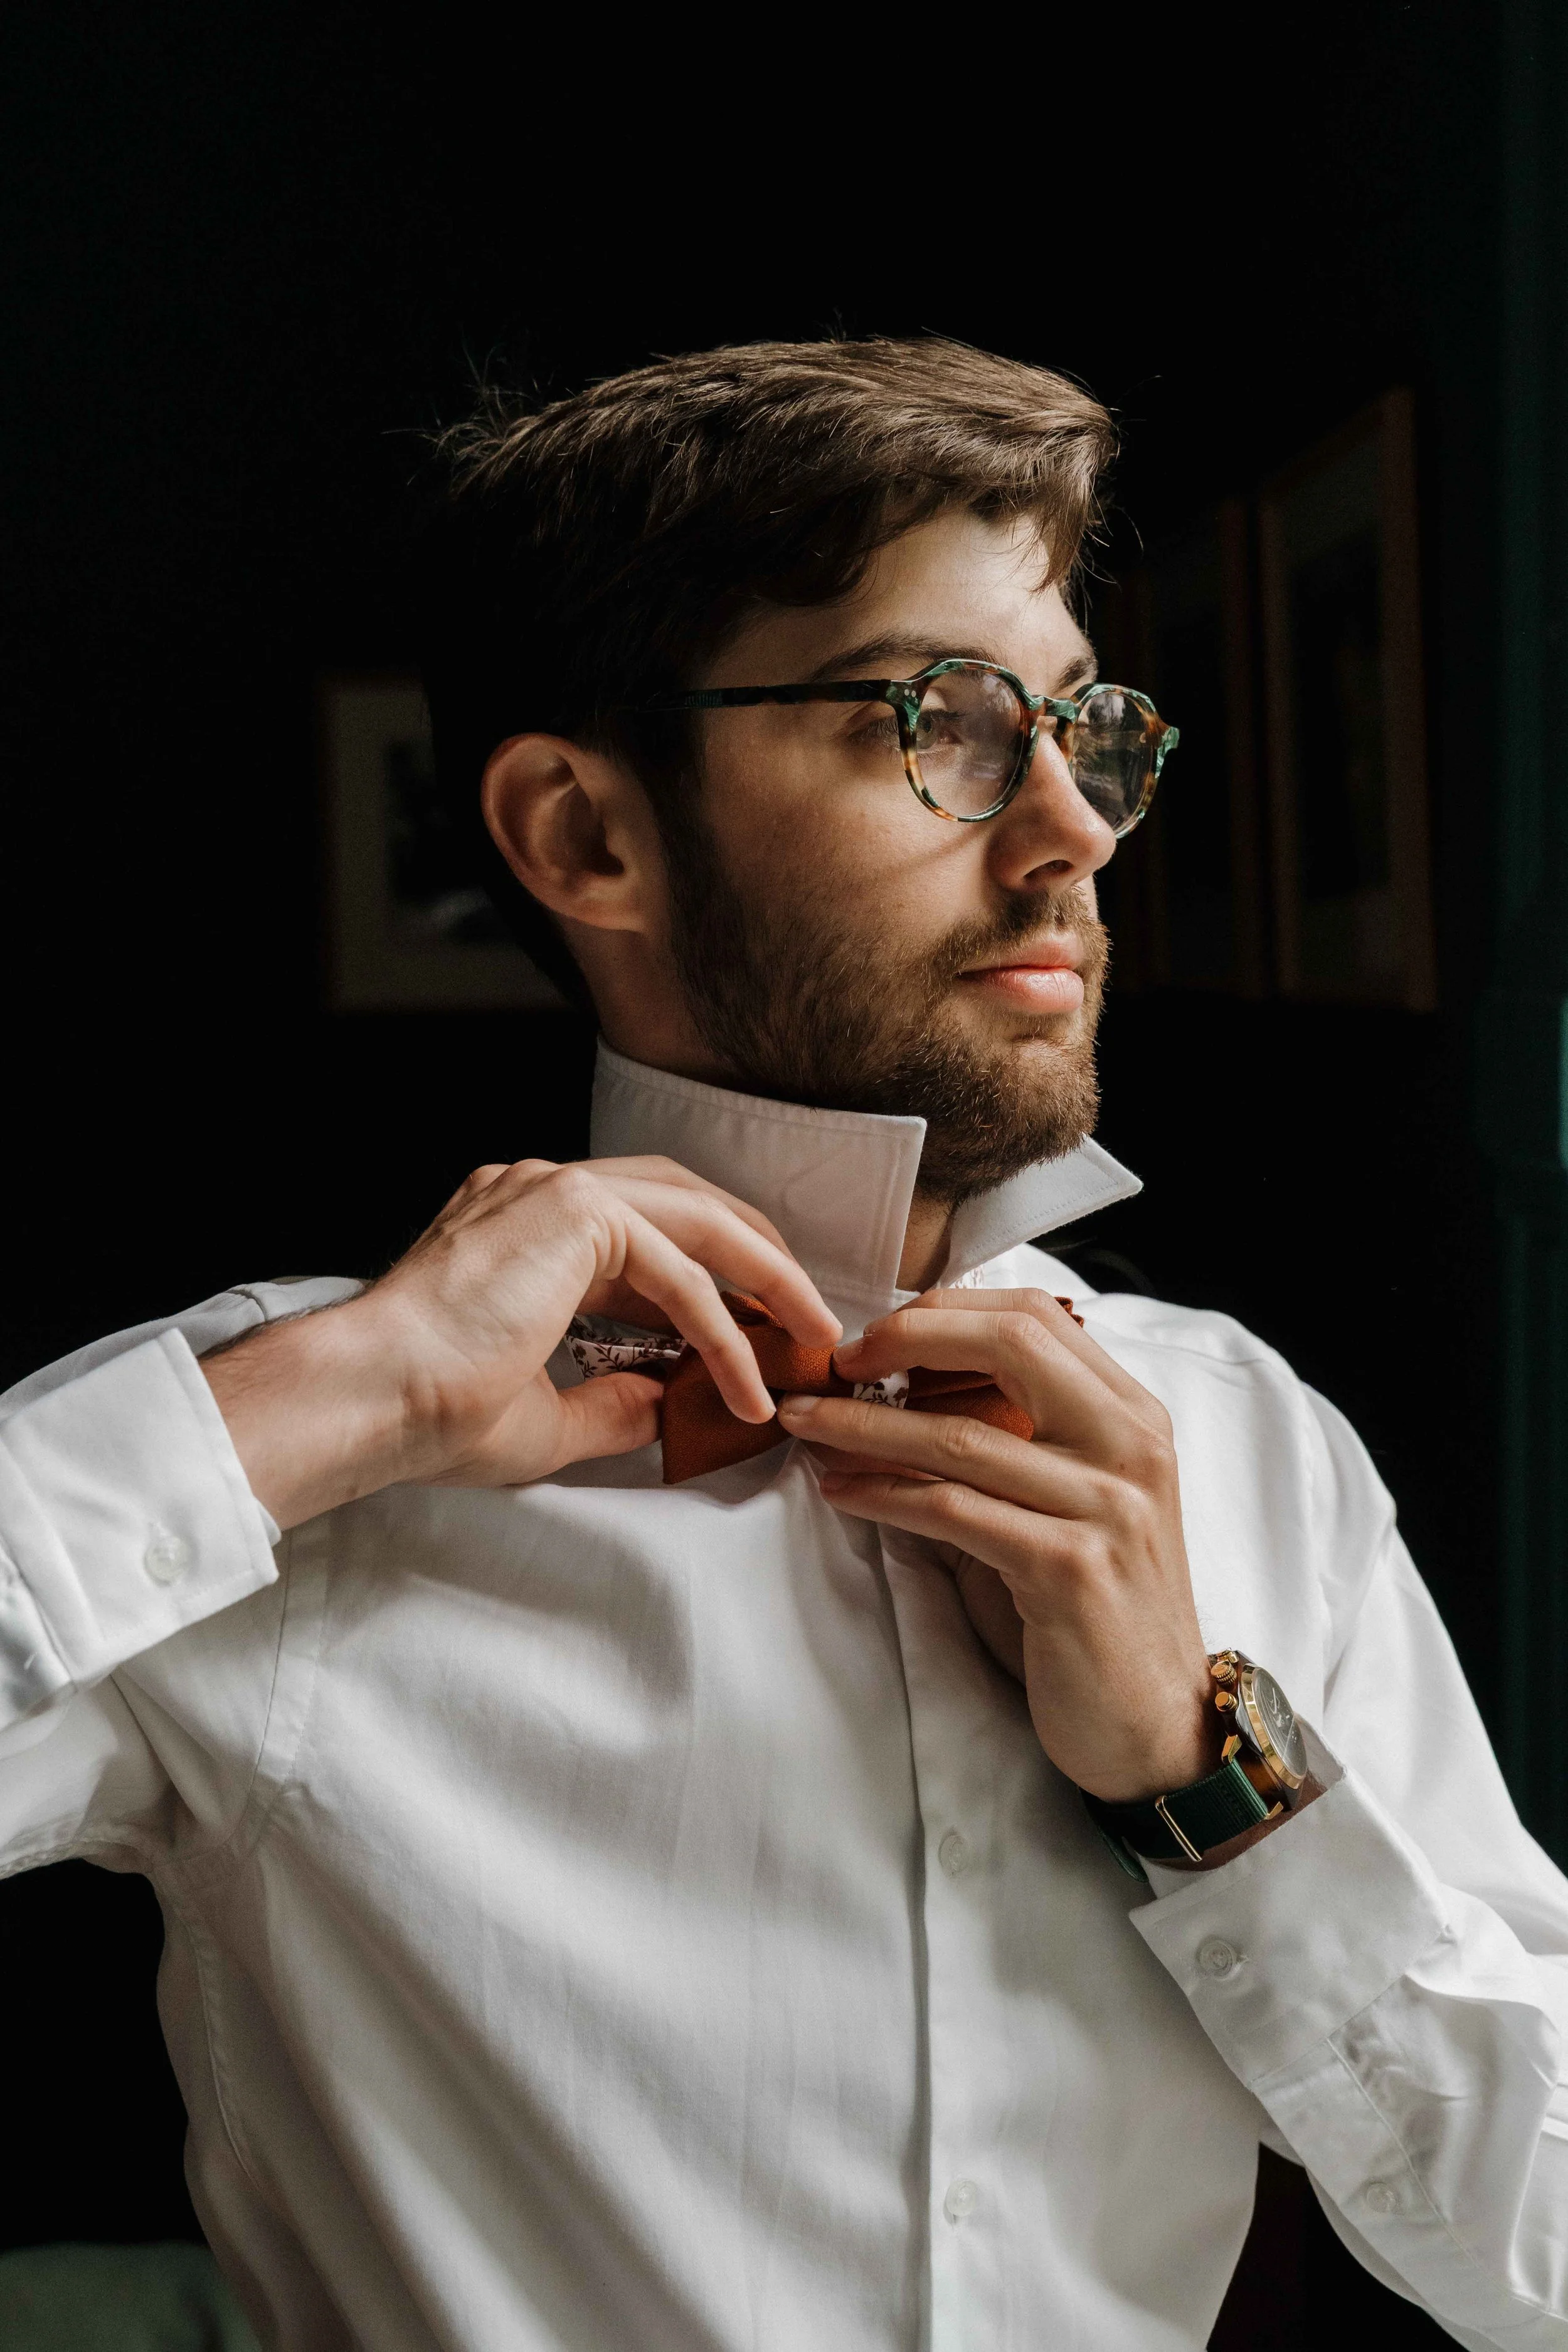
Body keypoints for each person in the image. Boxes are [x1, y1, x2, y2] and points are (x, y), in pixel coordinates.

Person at [2, 338, 1563, 2352]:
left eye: (1086, 728)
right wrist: (342, 1400)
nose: (1074, 828)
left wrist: (1209, 1777)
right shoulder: (278, 1463)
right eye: (943, 722)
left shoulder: (1246, 1443)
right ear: (585, 836)